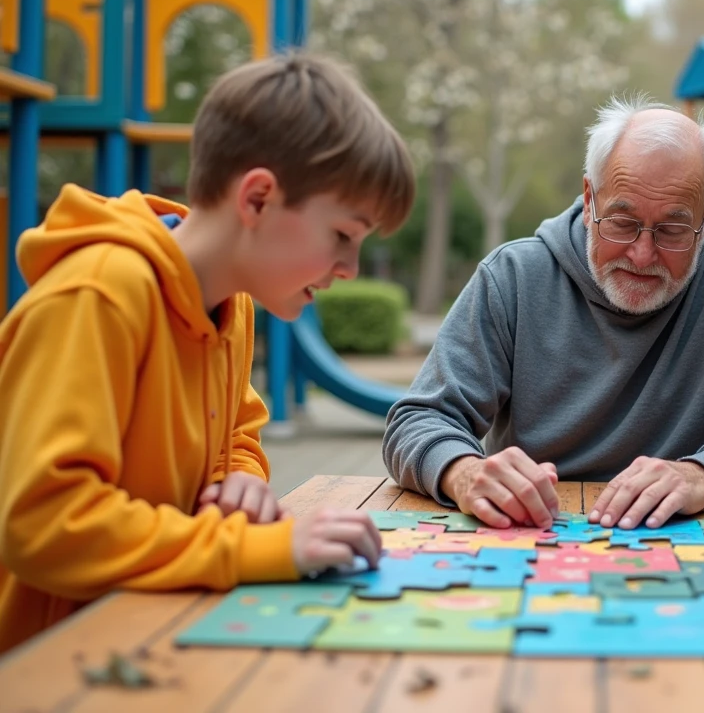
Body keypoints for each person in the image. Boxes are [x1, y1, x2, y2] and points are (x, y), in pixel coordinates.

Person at [0, 52, 415, 653]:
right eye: (342, 236)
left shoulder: (232, 301)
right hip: (44, 663)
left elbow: (237, 436)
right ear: (257, 199)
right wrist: (259, 548)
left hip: (145, 636)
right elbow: (45, 524)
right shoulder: (99, 296)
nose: (349, 269)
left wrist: (236, 480)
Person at [385, 95, 704, 531]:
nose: (642, 253)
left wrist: (701, 475)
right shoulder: (513, 277)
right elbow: (419, 419)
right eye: (621, 221)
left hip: (686, 534)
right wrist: (462, 472)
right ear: (590, 196)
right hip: (529, 532)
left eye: (672, 230)